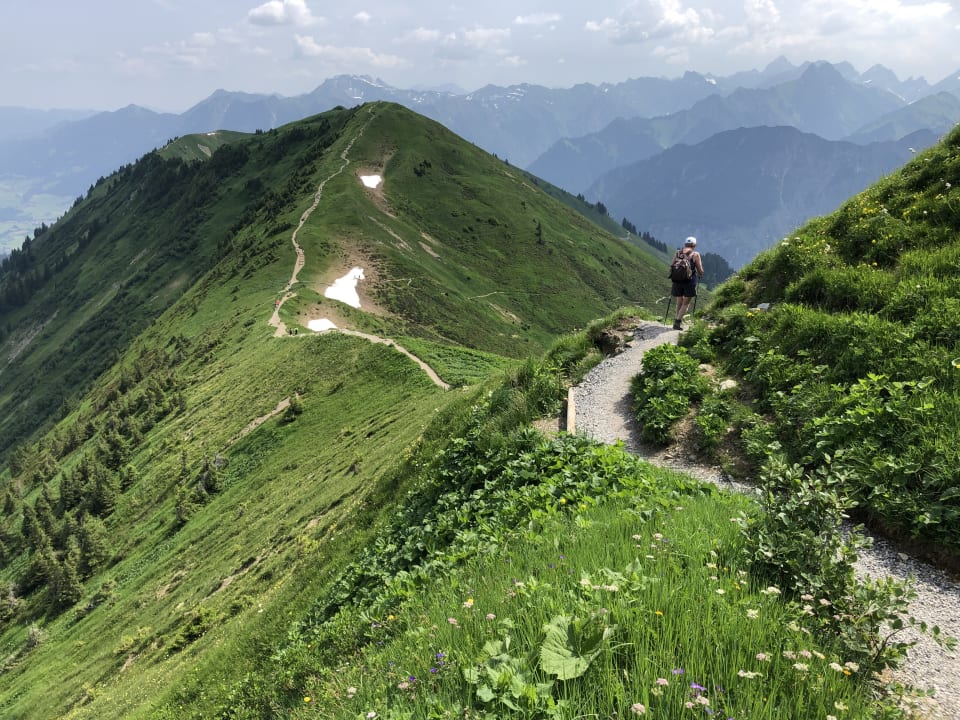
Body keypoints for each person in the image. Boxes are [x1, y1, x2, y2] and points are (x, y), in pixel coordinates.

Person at [671, 236, 704, 330]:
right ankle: (677, 322)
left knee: (679, 302)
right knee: (686, 303)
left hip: (677, 281)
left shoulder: (678, 252)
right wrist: (701, 274)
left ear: (685, 244)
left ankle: (677, 319)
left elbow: (672, 265)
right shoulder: (695, 254)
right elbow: (700, 270)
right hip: (689, 282)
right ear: (694, 245)